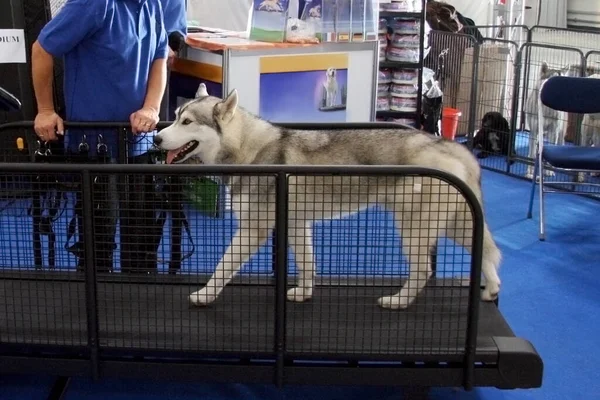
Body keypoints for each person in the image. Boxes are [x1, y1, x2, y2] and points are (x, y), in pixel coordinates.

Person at [31, 0, 170, 273]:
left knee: (142, 245)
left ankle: (138, 305)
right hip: (94, 148)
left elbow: (159, 58)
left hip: (138, 143)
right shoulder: (94, 3)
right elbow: (41, 49)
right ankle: (96, 308)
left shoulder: (153, 4)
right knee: (97, 244)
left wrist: (152, 107)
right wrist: (45, 110)